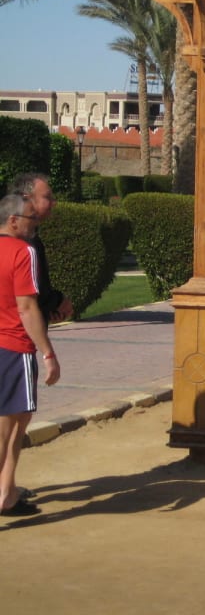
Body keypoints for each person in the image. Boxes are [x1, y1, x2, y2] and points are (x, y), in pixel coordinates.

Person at [0, 194, 61, 516]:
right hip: (13, 347)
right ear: (13, 221)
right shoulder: (23, 251)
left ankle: (7, 492)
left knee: (19, 422)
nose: (35, 223)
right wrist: (48, 353)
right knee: (8, 427)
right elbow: (26, 307)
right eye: (30, 218)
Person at [8, 174, 72, 323]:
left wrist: (49, 311)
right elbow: (32, 292)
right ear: (27, 199)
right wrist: (59, 302)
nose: (53, 203)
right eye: (47, 197)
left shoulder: (30, 237)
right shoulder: (22, 239)